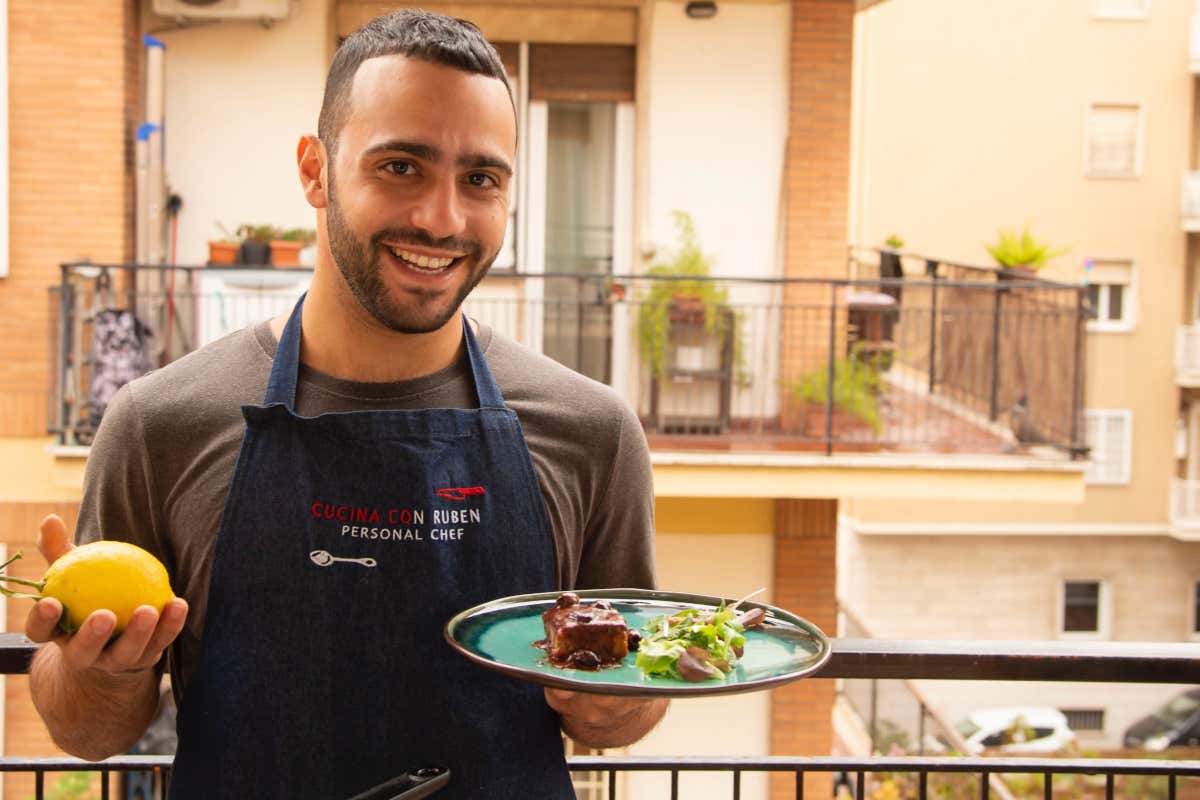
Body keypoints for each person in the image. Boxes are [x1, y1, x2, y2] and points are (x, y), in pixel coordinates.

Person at [25, 10, 667, 799]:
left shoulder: (592, 432)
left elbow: (626, 710)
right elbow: (88, 733)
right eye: (401, 166)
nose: (442, 218)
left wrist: (616, 700)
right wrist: (101, 674)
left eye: (480, 179)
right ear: (315, 170)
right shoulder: (161, 424)